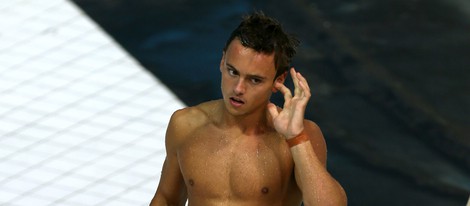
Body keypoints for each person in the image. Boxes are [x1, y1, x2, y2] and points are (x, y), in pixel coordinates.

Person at [150, 11, 347, 206]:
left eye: (255, 80)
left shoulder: (299, 137)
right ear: (222, 61)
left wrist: (296, 138)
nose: (238, 88)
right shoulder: (186, 125)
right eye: (233, 72)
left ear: (278, 80)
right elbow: (166, 199)